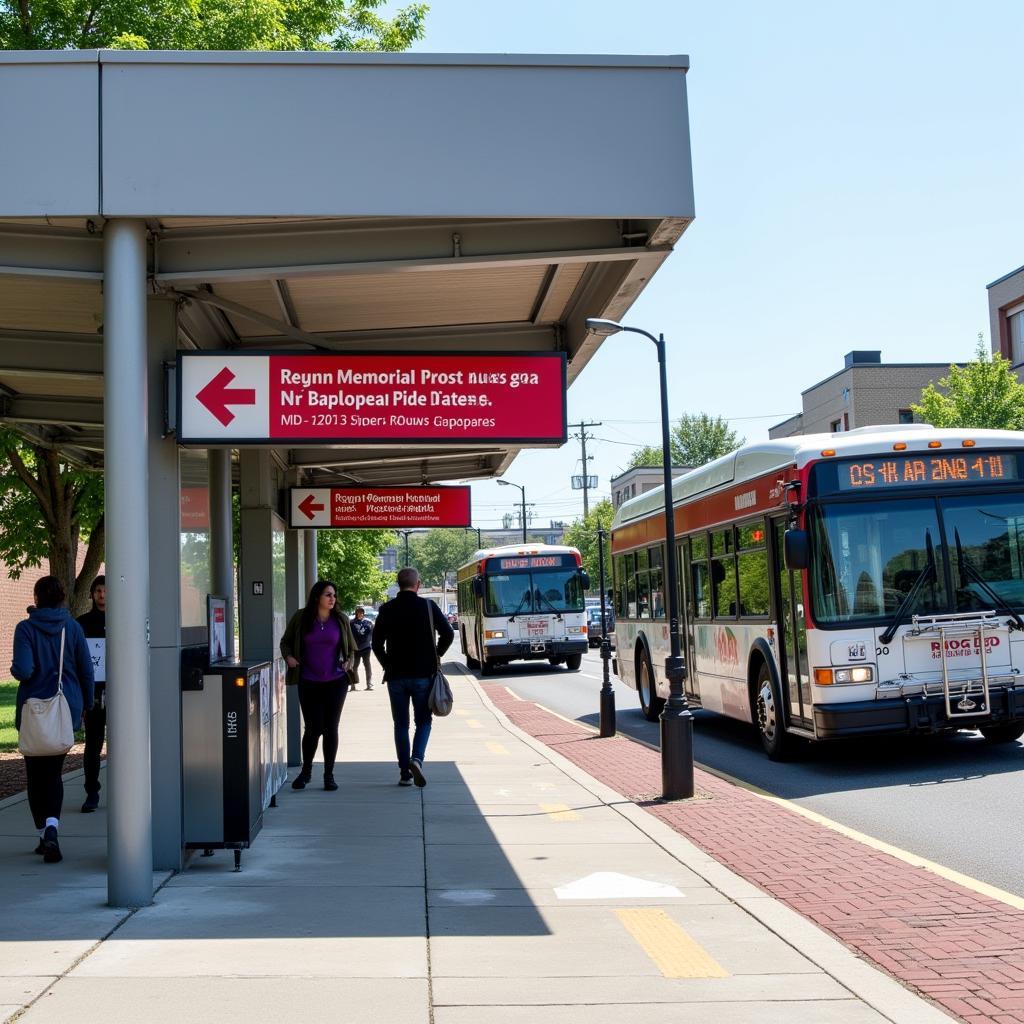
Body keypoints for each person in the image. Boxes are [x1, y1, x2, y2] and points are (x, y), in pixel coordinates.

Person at [11, 575, 94, 864]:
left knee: (35, 775)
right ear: (62, 598)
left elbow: (23, 670)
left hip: (33, 709)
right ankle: (52, 830)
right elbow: (86, 669)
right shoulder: (72, 628)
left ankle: (43, 834)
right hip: (64, 707)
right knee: (54, 774)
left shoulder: (25, 629)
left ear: (36, 599)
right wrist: (86, 702)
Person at [372, 567, 453, 788]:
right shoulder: (428, 607)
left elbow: (376, 644)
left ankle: (404, 773)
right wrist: (437, 654)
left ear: (399, 584)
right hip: (423, 675)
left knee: (400, 724)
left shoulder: (387, 609)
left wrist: (387, 663)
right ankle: (416, 759)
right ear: (418, 585)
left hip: (396, 676)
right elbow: (448, 633)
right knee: (424, 721)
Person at [280, 580, 355, 792]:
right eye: (328, 595)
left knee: (331, 728)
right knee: (313, 728)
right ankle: (306, 772)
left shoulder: (340, 619)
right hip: (309, 680)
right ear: (316, 597)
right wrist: (289, 657)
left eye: (334, 595)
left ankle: (329, 775)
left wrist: (349, 661)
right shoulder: (301, 618)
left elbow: (351, 648)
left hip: (336, 681)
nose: (332, 599)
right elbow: (285, 642)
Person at [76, 575, 106, 813]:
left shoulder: (124, 621)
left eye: (105, 590)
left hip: (121, 691)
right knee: (93, 744)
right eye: (97, 591)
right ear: (92, 594)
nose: (102, 595)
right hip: (93, 691)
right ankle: (92, 792)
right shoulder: (82, 623)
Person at [350, 607, 374, 691]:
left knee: (367, 666)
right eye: (358, 613)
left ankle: (369, 684)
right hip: (356, 648)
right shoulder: (352, 623)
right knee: (354, 667)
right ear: (356, 614)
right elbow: (349, 635)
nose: (360, 614)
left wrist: (371, 642)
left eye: (361, 613)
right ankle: (353, 685)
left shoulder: (368, 623)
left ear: (364, 613)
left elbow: (372, 633)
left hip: (366, 647)